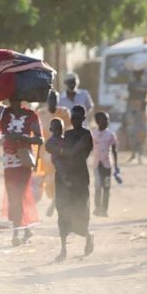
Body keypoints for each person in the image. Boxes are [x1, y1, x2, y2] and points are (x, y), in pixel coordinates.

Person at [0, 95, 43, 246]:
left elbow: (40, 140)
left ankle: (17, 231)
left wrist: (21, 137)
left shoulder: (30, 115)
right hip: (9, 160)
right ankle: (23, 228)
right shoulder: (3, 112)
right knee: (14, 195)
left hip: (24, 159)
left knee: (19, 194)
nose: (13, 100)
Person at [49, 105, 94, 261]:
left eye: (78, 118)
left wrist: (59, 151)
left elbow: (74, 151)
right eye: (73, 118)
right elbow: (52, 148)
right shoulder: (66, 135)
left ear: (83, 119)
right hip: (64, 178)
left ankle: (88, 236)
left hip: (80, 177)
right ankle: (63, 249)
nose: (75, 120)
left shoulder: (86, 135)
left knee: (80, 211)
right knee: (63, 212)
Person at [91, 112, 120, 216]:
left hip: (107, 165)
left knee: (106, 187)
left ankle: (104, 209)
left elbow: (114, 150)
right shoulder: (93, 134)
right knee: (98, 186)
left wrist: (116, 165)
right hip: (96, 165)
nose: (107, 122)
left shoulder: (111, 135)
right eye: (105, 120)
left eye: (108, 120)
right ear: (98, 122)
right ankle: (97, 208)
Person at [124, 69, 147, 163]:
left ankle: (141, 153)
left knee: (142, 131)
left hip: (141, 110)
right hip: (133, 109)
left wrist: (145, 103)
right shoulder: (132, 84)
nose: (137, 75)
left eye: (138, 73)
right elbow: (130, 96)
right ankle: (134, 153)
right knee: (132, 131)